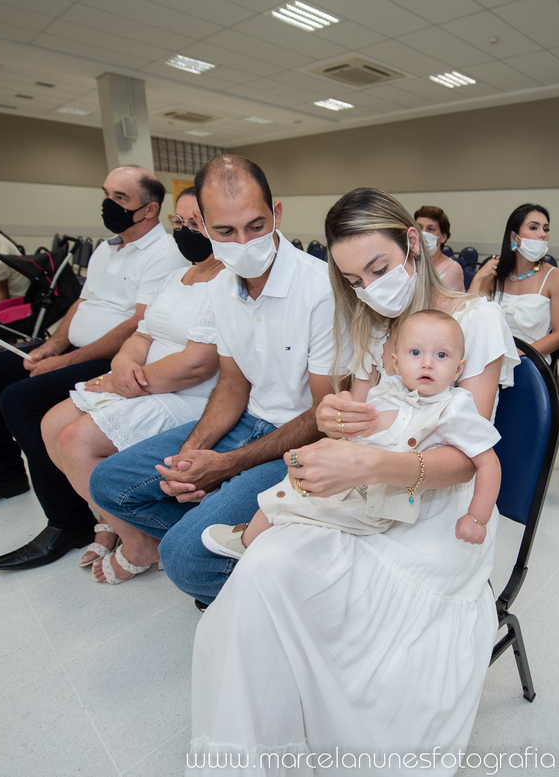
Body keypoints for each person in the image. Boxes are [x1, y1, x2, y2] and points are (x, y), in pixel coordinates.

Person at [188, 187, 519, 771]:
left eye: (379, 268)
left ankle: (343, 732)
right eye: (355, 280)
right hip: (366, 493)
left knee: (362, 609)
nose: (370, 288)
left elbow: (469, 455)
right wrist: (333, 420)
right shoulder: (371, 327)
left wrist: (369, 462)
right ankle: (261, 749)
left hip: (441, 507)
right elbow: (354, 424)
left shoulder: (475, 319)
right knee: (266, 566)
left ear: (412, 242)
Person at [87, 155, 336, 586]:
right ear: (201, 226)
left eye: (256, 226)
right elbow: (233, 383)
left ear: (276, 213)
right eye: (225, 231)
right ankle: (238, 556)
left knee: (184, 560)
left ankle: (251, 569)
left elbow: (322, 415)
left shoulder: (320, 290)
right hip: (247, 421)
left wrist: (225, 464)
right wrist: (193, 455)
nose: (244, 242)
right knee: (109, 483)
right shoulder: (221, 286)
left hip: (300, 437)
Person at [0, 166, 187, 574]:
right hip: (73, 347)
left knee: (21, 401)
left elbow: (137, 325)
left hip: (111, 355)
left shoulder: (164, 253)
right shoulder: (108, 248)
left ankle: (68, 520)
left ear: (149, 209)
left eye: (120, 198)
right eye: (106, 194)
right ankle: (3, 474)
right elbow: (81, 305)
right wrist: (50, 344)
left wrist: (66, 360)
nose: (108, 204)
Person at [202, 309, 501, 562]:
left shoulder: (455, 407)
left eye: (441, 355)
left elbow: (487, 463)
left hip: (378, 498)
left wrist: (477, 518)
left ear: (458, 368)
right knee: (294, 481)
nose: (427, 363)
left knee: (292, 503)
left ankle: (249, 544)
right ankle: (259, 538)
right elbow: (359, 429)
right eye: (415, 353)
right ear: (396, 363)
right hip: (353, 478)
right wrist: (340, 418)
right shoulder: (389, 390)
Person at [38, 187, 224, 573]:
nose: (187, 230)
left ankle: (142, 544)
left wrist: (121, 383)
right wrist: (122, 364)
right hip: (140, 379)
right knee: (52, 421)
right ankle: (109, 519)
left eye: (197, 223)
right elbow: (142, 333)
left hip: (193, 395)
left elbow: (197, 365)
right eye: (180, 222)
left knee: (75, 440)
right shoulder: (177, 276)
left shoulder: (229, 282)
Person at [469, 202, 559, 359]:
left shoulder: (557, 278)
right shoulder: (494, 274)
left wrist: (517, 356)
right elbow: (471, 320)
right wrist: (477, 279)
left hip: (531, 361)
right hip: (490, 357)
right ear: (513, 237)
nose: (543, 234)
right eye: (533, 227)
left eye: (546, 229)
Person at [414, 204, 465, 291]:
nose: (423, 233)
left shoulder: (452, 269)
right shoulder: (410, 261)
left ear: (443, 237)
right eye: (419, 228)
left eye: (430, 229)